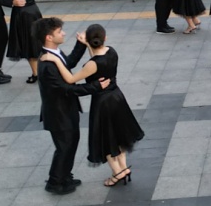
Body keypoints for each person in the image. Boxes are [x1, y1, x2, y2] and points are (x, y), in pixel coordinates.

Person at [42, 23, 144, 187]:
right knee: (118, 136)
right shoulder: (112, 52)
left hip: (102, 103)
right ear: (105, 38)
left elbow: (70, 79)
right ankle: (124, 168)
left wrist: (55, 60)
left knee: (106, 138)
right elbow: (97, 59)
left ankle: (117, 173)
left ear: (89, 40)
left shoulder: (90, 65)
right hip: (117, 98)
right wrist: (89, 44)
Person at [33, 17, 110, 195]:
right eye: (59, 32)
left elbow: (69, 64)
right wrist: (95, 87)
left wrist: (81, 44)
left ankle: (64, 176)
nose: (64, 33)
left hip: (65, 110)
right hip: (59, 114)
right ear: (48, 37)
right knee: (64, 146)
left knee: (70, 143)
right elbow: (66, 89)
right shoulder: (47, 64)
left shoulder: (54, 54)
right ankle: (55, 182)